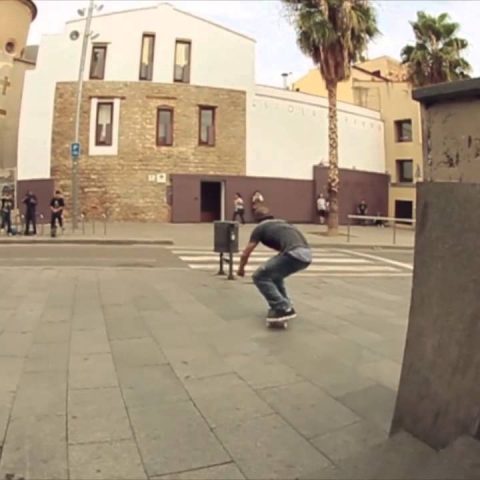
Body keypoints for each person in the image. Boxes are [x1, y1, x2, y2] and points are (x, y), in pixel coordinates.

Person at [237, 206, 312, 321]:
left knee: (259, 276)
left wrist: (241, 269)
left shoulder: (260, 227)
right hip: (307, 255)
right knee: (275, 276)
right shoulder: (284, 223)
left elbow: (246, 253)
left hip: (293, 253)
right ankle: (286, 303)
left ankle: (282, 307)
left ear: (256, 218)